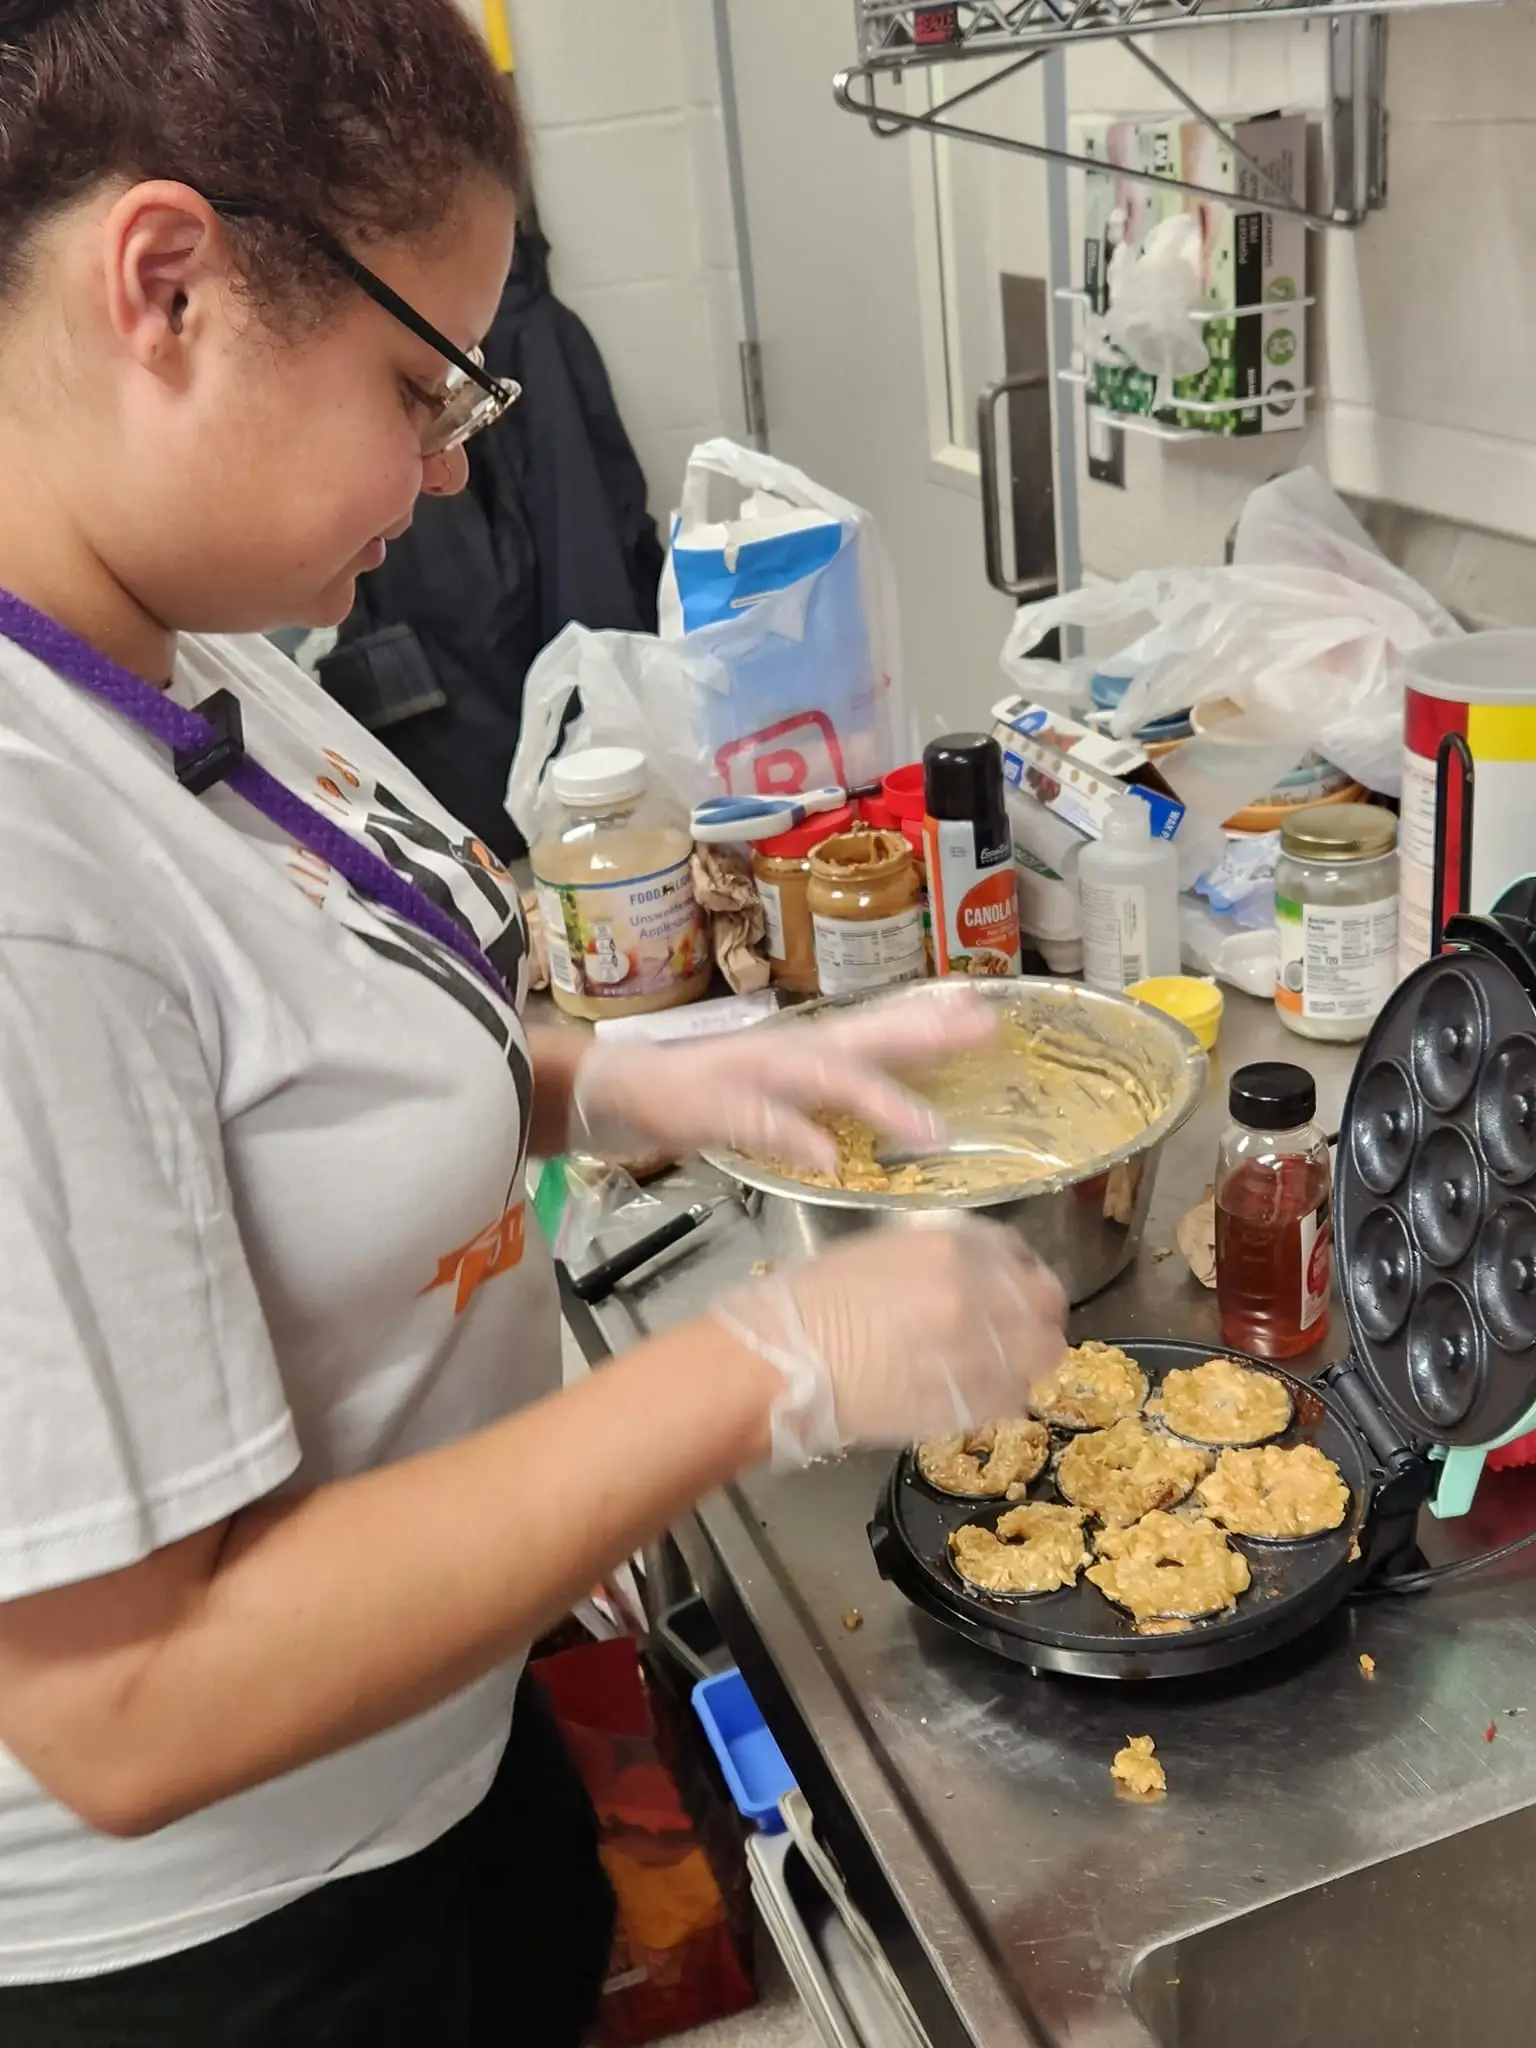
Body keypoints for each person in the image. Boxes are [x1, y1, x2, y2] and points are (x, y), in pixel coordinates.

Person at [0, 3, 1070, 2043]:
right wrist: (765, 1363)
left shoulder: (184, 627)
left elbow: (290, 1041)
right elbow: (119, 1708)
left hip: (432, 1764)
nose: (451, 465)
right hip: (231, 1950)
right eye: (422, 387)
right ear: (167, 284)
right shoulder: (22, 871)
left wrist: (626, 1069)